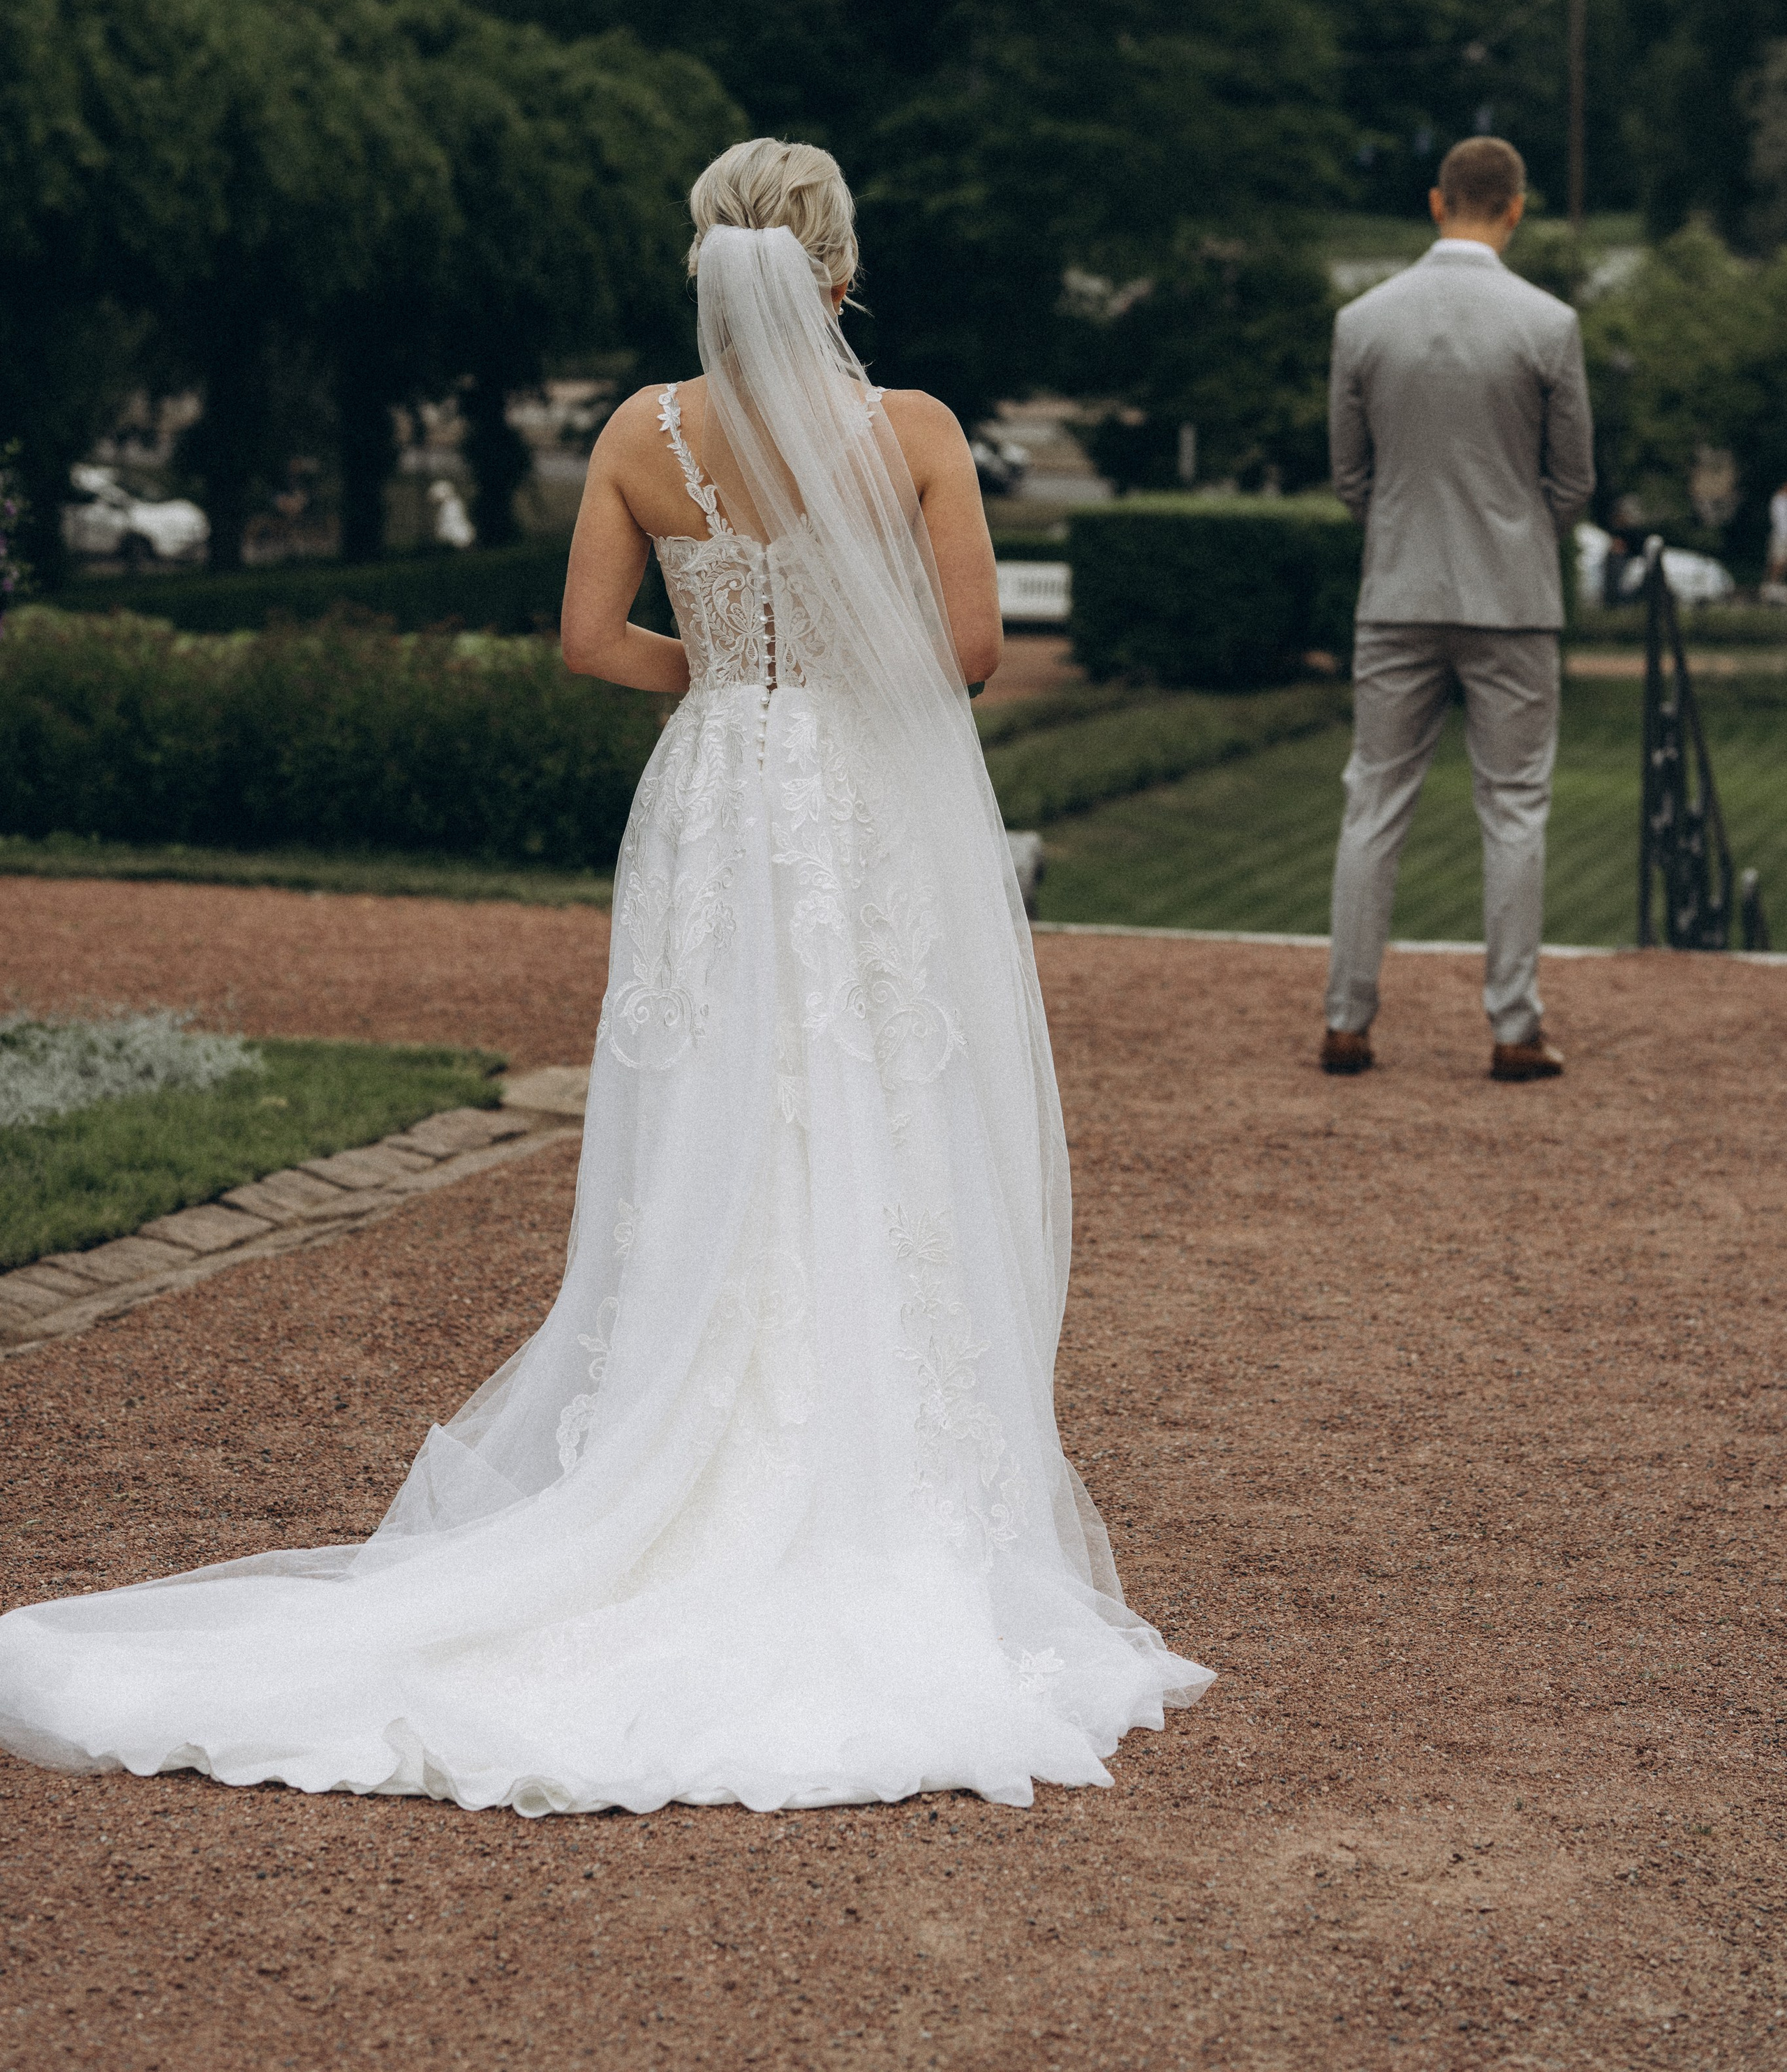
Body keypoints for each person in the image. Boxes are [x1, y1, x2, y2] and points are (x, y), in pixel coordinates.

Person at [0, 139, 1209, 1814]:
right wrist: (832, 670)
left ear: (706, 271)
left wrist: (723, 670)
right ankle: (881, 1458)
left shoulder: (642, 436)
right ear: (838, 273)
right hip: (851, 796)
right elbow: (969, 658)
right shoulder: (910, 432)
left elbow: (583, 644)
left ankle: (676, 1422)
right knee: (863, 1081)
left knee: (719, 1083)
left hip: (717, 789)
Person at [1323, 136, 1595, 1082]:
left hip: (1395, 590)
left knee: (1373, 803)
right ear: (1514, 209)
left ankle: (1347, 1021)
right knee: (1515, 810)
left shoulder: (1363, 321)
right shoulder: (1549, 324)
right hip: (1515, 600)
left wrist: (1400, 532)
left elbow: (1351, 477)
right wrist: (1520, 537)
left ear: (1438, 202)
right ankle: (1513, 1027)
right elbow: (1575, 481)